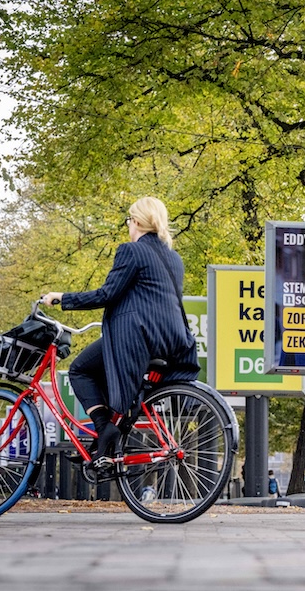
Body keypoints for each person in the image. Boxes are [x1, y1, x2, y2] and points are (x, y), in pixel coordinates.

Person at [41, 196, 199, 467]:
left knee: (80, 369)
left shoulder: (131, 251)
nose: (128, 226)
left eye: (129, 220)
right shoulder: (174, 258)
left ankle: (104, 428)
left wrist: (62, 298)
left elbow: (107, 294)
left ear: (136, 222)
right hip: (174, 340)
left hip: (140, 338)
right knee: (104, 368)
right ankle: (107, 438)